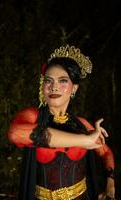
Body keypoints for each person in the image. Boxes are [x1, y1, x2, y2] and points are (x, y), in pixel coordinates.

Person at [8, 45, 115, 200]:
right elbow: (15, 134)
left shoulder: (82, 124)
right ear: (42, 86)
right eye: (48, 81)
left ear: (74, 88)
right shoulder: (32, 116)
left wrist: (110, 185)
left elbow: (106, 152)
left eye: (63, 80)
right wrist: (84, 140)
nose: (54, 87)